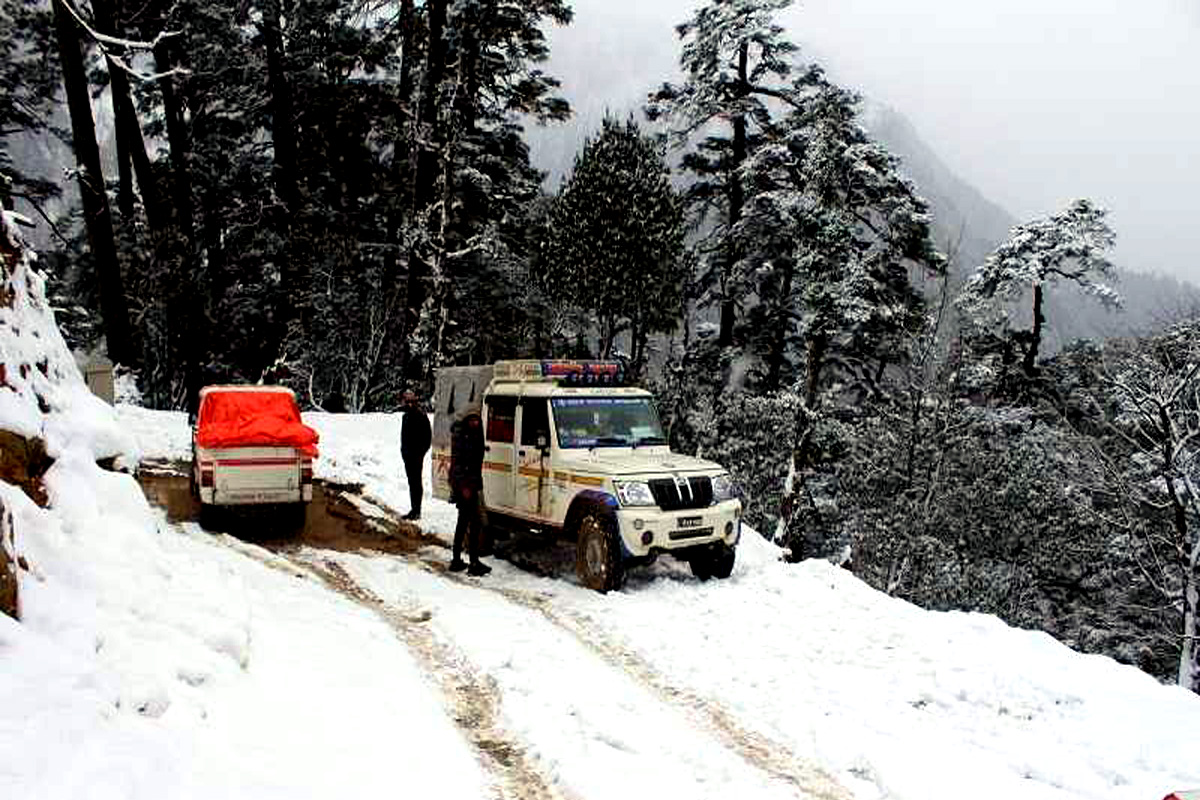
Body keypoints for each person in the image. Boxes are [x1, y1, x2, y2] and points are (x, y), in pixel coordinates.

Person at [448, 412, 490, 576]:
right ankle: (471, 562)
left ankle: (459, 560)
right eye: (471, 420)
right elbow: (457, 464)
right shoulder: (462, 436)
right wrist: (464, 487)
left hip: (472, 484)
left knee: (466, 522)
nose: (475, 422)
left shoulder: (475, 434)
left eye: (477, 420)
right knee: (472, 522)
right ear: (466, 420)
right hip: (465, 486)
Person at [400, 390, 431, 521]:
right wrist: (403, 451)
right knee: (412, 482)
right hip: (407, 455)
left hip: (416, 456)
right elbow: (404, 437)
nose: (409, 404)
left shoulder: (421, 415)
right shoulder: (405, 416)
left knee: (416, 483)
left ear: (415, 401)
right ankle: (414, 509)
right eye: (407, 401)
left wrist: (420, 454)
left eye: (411, 401)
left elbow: (427, 438)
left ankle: (416, 511)